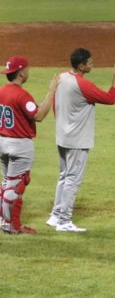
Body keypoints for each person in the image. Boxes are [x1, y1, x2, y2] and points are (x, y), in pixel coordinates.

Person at [47, 49, 115, 233]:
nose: (92, 64)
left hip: (62, 136)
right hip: (77, 140)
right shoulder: (83, 84)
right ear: (81, 66)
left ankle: (55, 215)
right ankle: (64, 221)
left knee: (64, 176)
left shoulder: (61, 77)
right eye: (89, 62)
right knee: (72, 180)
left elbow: (55, 104)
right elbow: (110, 98)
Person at [0, 56, 58, 234]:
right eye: (26, 69)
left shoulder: (2, 91)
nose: (28, 72)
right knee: (15, 186)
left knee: (6, 183)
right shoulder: (21, 95)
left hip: (2, 141)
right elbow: (38, 115)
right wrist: (51, 91)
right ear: (20, 73)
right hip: (19, 145)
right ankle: (11, 225)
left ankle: (5, 221)